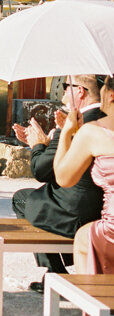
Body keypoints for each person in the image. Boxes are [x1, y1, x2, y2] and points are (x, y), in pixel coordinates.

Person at [12, 74, 105, 292]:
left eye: (65, 86)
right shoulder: (105, 118)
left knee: (22, 199)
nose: (62, 92)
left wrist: (38, 145)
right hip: (102, 209)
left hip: (76, 214)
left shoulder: (77, 124)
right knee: (43, 195)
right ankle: (53, 273)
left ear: (80, 91)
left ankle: (54, 272)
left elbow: (42, 171)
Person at [54, 75, 114, 275]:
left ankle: (91, 302)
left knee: (84, 237)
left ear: (111, 95)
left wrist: (66, 132)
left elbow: (63, 177)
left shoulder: (93, 132)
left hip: (111, 231)